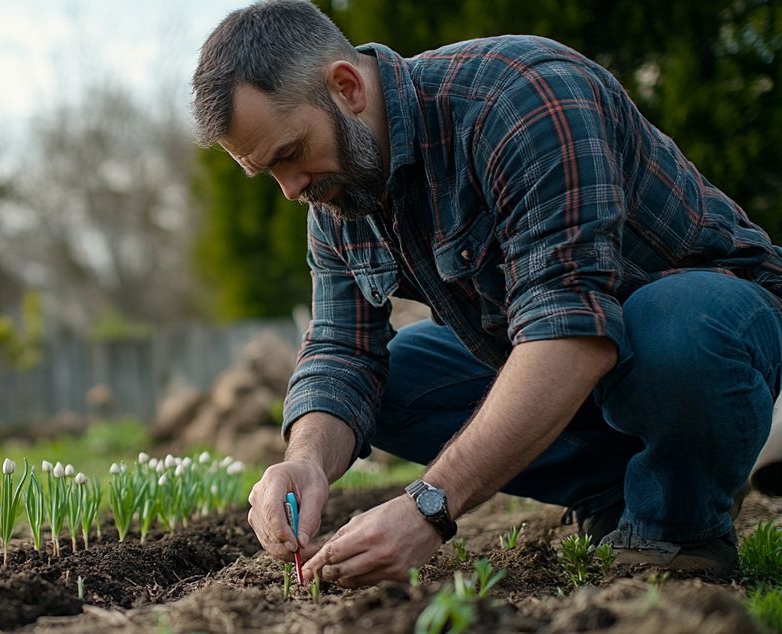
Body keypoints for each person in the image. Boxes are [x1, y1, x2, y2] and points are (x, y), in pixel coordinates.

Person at [191, 0, 782, 586]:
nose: (290, 190)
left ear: (346, 88)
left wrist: (430, 505)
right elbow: (340, 351)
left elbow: (571, 333)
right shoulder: (339, 190)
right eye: (267, 171)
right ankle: (614, 486)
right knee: (386, 389)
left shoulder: (522, 100)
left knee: (673, 331)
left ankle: (679, 525)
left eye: (290, 154)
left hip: (711, 325)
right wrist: (305, 461)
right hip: (580, 366)